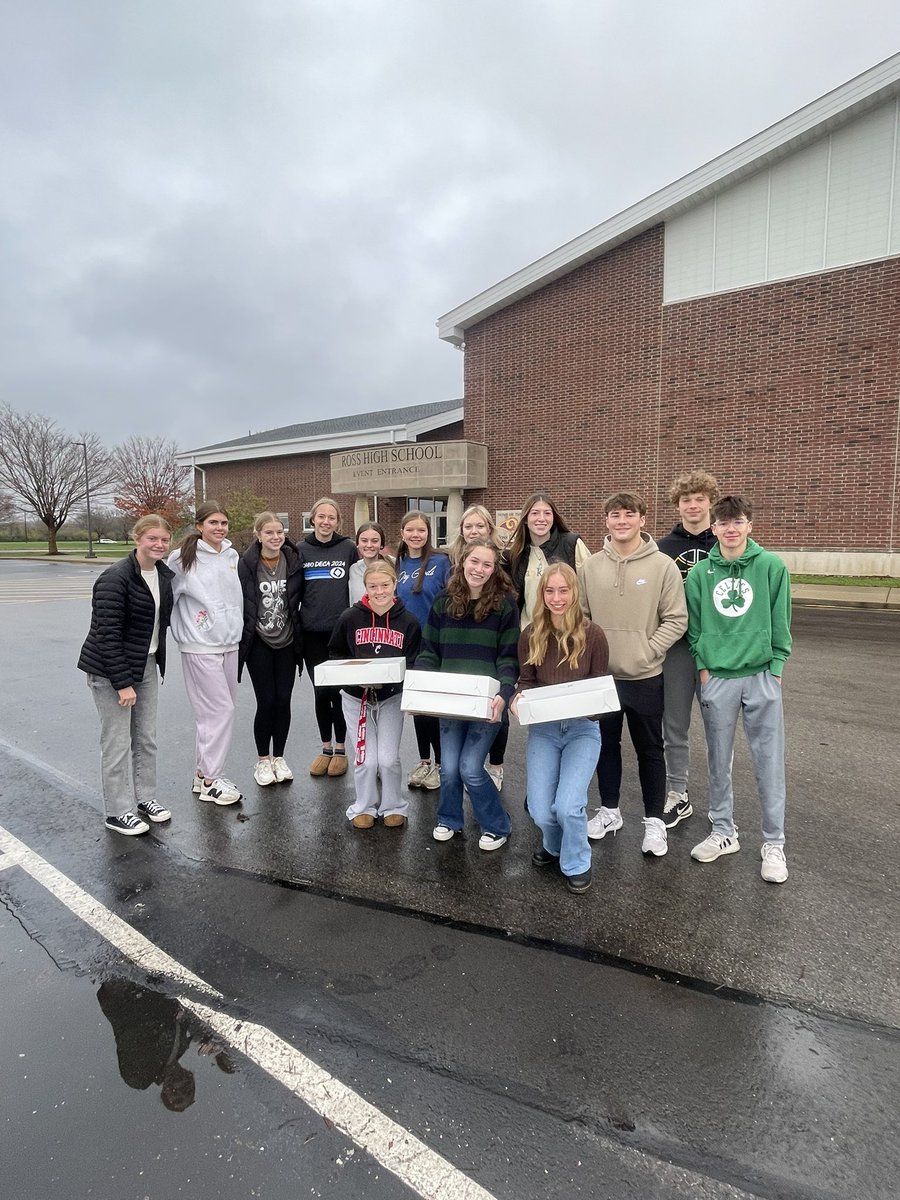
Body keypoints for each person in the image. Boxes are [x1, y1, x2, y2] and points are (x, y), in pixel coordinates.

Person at [685, 495, 792, 884]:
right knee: (718, 759)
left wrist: (776, 667)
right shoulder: (700, 574)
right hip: (718, 678)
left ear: (749, 525)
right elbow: (694, 628)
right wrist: (703, 668)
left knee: (768, 759)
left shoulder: (770, 567)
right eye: (723, 523)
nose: (731, 530)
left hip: (761, 674)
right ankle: (723, 831)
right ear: (713, 528)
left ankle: (774, 843)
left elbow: (782, 619)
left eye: (738, 522)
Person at [578, 492, 687, 856]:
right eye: (614, 515)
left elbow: (676, 619)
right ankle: (609, 811)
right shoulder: (591, 567)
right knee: (606, 747)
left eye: (629, 515)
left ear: (643, 519)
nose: (621, 521)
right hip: (602, 678)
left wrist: (648, 650)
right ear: (606, 521)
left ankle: (655, 822)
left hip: (644, 676)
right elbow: (582, 617)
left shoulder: (662, 566)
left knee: (650, 750)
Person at [511, 564, 609, 894]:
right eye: (549, 591)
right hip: (545, 729)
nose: (557, 598)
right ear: (541, 595)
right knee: (540, 810)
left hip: (582, 730)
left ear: (574, 593)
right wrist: (517, 698)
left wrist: (595, 706)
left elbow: (598, 689)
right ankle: (553, 844)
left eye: (563, 591)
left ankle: (577, 861)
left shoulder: (593, 634)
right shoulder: (530, 635)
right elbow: (526, 681)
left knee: (568, 805)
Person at [416, 540, 518, 850]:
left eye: (487, 565)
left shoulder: (504, 606)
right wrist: (420, 688)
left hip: (486, 701)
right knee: (448, 768)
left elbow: (508, 656)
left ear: (494, 569)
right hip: (450, 699)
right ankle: (449, 819)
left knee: (471, 768)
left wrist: (505, 691)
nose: (480, 569)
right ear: (463, 562)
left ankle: (497, 825)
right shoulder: (443, 603)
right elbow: (429, 651)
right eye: (475, 562)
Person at [77, 515, 175, 836]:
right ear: (137, 538)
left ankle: (145, 798)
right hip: (110, 671)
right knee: (117, 742)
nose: (159, 545)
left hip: (145, 665)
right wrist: (122, 683)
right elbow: (107, 633)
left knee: (146, 738)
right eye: (152, 539)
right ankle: (117, 811)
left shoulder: (162, 575)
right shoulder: (115, 578)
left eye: (164, 540)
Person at [328, 560, 422, 829]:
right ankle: (365, 805)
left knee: (388, 758)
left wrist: (405, 689)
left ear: (395, 584)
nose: (379, 591)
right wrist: (352, 679)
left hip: (391, 697)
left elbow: (413, 662)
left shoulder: (409, 621)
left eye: (385, 585)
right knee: (366, 759)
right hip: (357, 698)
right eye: (373, 586)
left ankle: (394, 805)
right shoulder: (350, 617)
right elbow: (335, 654)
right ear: (365, 586)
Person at [168, 501, 244, 806]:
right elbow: (167, 597)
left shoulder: (231, 555)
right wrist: (183, 629)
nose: (219, 528)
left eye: (223, 523)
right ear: (199, 525)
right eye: (213, 522)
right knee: (220, 711)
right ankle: (213, 779)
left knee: (211, 714)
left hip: (229, 643)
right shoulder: (181, 559)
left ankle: (202, 774)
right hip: (200, 645)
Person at [657, 469, 720, 828]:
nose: (693, 506)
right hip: (678, 650)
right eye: (686, 500)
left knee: (718, 727)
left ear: (710, 503)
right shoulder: (664, 549)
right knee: (675, 726)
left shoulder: (726, 542)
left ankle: (720, 801)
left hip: (718, 652)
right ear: (677, 506)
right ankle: (678, 794)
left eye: (699, 499)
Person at [238, 512, 304, 787]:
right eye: (269, 533)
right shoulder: (247, 563)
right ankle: (263, 760)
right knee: (266, 702)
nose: (275, 537)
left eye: (279, 532)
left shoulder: (294, 560)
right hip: (259, 641)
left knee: (283, 700)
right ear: (258, 534)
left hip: (288, 640)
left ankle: (280, 757)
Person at [297, 497, 358, 777]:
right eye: (321, 517)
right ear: (313, 520)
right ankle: (325, 747)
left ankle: (342, 749)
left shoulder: (348, 548)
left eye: (331, 517)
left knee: (341, 693)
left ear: (337, 521)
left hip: (341, 634)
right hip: (311, 633)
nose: (325, 522)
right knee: (321, 693)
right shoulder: (300, 550)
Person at [448, 504, 508, 789]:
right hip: (459, 646)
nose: (474, 530)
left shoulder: (502, 561)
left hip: (497, 636)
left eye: (480, 526)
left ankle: (495, 766)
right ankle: (451, 767)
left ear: (489, 529)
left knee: (498, 711)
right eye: (468, 526)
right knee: (458, 712)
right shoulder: (451, 560)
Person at [395, 510, 451, 791]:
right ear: (402, 533)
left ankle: (441, 764)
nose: (416, 535)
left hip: (435, 643)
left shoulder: (441, 562)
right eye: (410, 530)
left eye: (421, 530)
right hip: (407, 645)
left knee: (435, 707)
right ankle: (424, 761)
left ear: (429, 533)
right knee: (418, 707)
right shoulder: (399, 563)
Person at [507, 493, 591, 629]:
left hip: (568, 630)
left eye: (547, 513)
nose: (541, 519)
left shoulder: (572, 544)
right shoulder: (517, 555)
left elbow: (589, 588)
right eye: (535, 513)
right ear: (526, 519)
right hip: (530, 635)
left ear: (553, 518)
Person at [348, 521, 393, 604]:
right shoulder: (353, 570)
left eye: (374, 541)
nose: (369, 545)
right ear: (357, 543)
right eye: (364, 541)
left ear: (381, 544)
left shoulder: (393, 565)